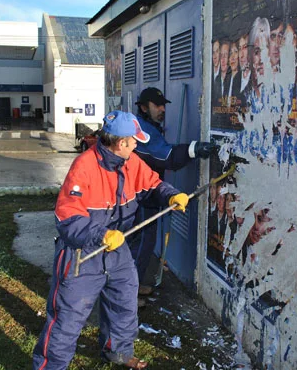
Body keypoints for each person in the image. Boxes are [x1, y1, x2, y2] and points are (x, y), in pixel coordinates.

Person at [32, 110, 189, 369]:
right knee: (67, 318)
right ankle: (49, 366)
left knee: (124, 304)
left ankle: (117, 352)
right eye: (134, 140)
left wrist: (170, 195)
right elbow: (67, 217)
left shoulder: (132, 162)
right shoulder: (84, 166)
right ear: (120, 143)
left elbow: (151, 185)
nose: (137, 144)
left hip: (118, 249)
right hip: (82, 253)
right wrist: (100, 235)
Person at [130, 87, 216, 304]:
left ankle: (135, 284)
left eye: (163, 105)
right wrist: (194, 149)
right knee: (139, 242)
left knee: (146, 241)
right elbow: (166, 156)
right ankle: (127, 295)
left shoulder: (150, 127)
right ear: (143, 107)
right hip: (138, 196)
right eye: (157, 105)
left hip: (148, 193)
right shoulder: (143, 131)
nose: (162, 109)